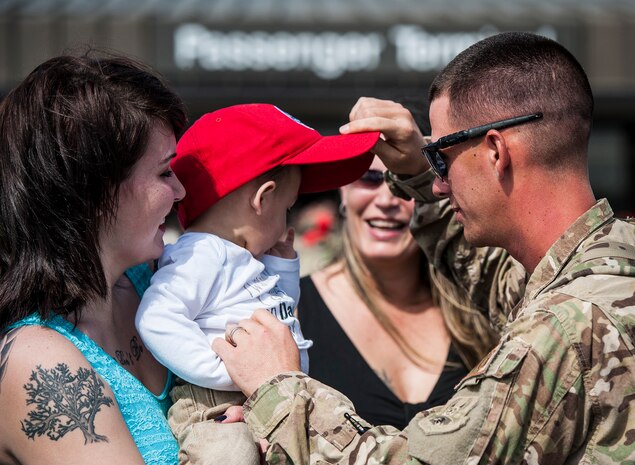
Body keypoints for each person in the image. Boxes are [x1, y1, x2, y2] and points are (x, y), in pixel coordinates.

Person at [212, 31, 635, 464]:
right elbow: (496, 278)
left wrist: (277, 387)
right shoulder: (613, 264)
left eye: (441, 157)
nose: (437, 183)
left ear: (495, 151)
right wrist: (415, 170)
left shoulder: (564, 325)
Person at [134, 103, 380, 465]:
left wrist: (282, 266)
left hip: (269, 395)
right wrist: (224, 371)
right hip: (218, 403)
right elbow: (156, 317)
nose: (286, 224)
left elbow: (278, 314)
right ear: (263, 199)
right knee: (229, 454)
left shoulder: (245, 257)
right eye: (287, 208)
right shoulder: (202, 254)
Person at [0, 52, 187, 464]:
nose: (180, 192)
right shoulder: (40, 364)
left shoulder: (155, 281)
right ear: (96, 190)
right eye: (164, 173)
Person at [298, 155, 498, 429]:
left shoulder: (481, 307)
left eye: (404, 181)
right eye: (369, 178)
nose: (386, 199)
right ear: (342, 190)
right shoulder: (291, 310)